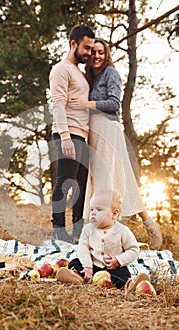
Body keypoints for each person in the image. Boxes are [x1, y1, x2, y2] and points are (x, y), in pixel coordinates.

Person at [71, 39, 162, 250]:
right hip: (93, 134)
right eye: (93, 52)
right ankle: (113, 232)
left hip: (109, 131)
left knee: (110, 182)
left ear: (107, 54)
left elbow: (114, 103)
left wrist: (88, 104)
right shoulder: (90, 78)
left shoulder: (111, 73)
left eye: (101, 52)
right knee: (110, 181)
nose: (97, 56)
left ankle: (138, 229)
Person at [56, 189, 155, 293]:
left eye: (98, 210)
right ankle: (76, 277)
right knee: (75, 262)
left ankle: (130, 285)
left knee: (121, 274)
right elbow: (83, 248)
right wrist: (87, 266)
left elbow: (134, 249)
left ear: (114, 214)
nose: (93, 213)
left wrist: (118, 260)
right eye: (91, 209)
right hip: (92, 265)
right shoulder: (88, 229)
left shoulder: (122, 231)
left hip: (113, 268)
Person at [49, 25, 95, 243]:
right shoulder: (62, 69)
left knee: (82, 186)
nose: (89, 53)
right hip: (68, 134)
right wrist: (65, 136)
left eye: (92, 49)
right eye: (86, 47)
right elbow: (57, 104)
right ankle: (58, 231)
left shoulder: (80, 72)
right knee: (64, 182)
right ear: (73, 43)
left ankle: (78, 233)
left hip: (82, 134)